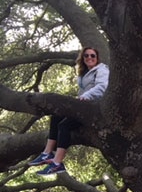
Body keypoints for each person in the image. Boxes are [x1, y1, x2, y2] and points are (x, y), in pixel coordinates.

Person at [28, 47, 110, 175]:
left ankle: (57, 163)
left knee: (64, 125)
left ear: (97, 58)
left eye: (92, 55)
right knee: (56, 116)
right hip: (83, 106)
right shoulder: (84, 73)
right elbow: (83, 92)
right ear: (82, 58)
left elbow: (102, 87)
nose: (89, 58)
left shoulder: (101, 69)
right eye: (86, 56)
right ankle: (46, 153)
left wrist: (86, 96)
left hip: (95, 108)